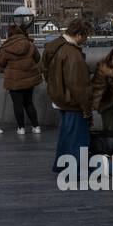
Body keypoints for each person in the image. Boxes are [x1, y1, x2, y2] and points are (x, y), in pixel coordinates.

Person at [44, 19, 93, 174]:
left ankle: (61, 164)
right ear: (79, 35)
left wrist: (55, 87)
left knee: (66, 134)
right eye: (86, 36)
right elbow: (78, 85)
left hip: (58, 98)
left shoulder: (53, 46)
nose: (86, 40)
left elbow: (43, 68)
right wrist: (87, 108)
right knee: (78, 138)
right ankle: (77, 169)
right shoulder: (73, 54)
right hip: (72, 101)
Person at [0, 20, 43, 135]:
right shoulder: (29, 44)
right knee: (29, 103)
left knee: (17, 104)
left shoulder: (6, 47)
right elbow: (37, 58)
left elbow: (0, 62)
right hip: (28, 78)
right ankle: (36, 126)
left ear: (10, 34)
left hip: (14, 80)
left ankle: (21, 128)